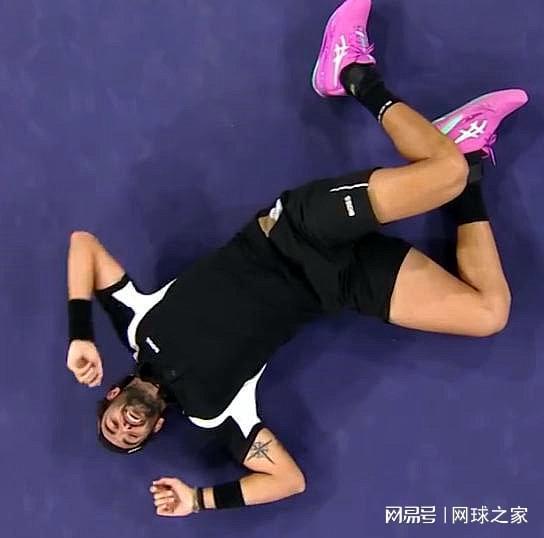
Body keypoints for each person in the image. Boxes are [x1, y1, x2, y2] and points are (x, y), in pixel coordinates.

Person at [65, 0, 527, 517]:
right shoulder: (214, 415)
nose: (126, 426)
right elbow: (288, 480)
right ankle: (464, 158)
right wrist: (198, 500)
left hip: (297, 231)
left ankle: (350, 72)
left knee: (444, 175)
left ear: (113, 394)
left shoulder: (135, 323)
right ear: (156, 428)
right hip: (341, 284)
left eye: (114, 422)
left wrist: (81, 334)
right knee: (487, 313)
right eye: (132, 437)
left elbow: (83, 245)